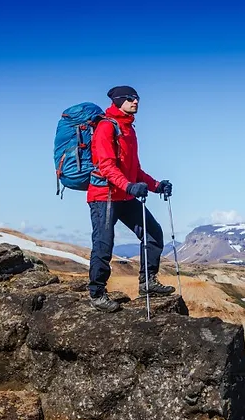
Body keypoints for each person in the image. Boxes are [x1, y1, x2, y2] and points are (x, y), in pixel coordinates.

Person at [87, 85, 175, 312]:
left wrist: (157, 186)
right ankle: (97, 294)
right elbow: (105, 166)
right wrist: (129, 186)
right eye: (130, 98)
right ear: (117, 102)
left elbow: (135, 170)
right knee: (103, 245)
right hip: (104, 196)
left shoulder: (129, 129)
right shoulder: (106, 127)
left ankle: (148, 283)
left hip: (124, 195)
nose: (135, 102)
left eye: (137, 98)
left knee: (153, 233)